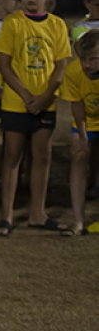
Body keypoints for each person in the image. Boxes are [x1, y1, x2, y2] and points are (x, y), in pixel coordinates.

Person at [0, 0, 72, 236]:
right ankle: (7, 216)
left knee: (42, 157)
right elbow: (4, 64)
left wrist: (46, 96)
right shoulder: (12, 23)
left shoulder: (57, 25)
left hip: (45, 103)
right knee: (12, 157)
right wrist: (25, 95)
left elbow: (61, 67)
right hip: (16, 103)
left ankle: (38, 214)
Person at [63, 29, 99, 235]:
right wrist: (83, 137)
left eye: (93, 59)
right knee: (78, 157)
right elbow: (77, 106)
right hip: (85, 120)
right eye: (83, 59)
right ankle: (78, 222)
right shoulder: (73, 71)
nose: (87, 64)